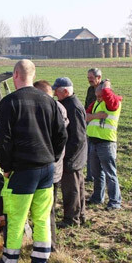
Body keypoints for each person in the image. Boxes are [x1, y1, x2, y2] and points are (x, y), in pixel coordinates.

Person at [0, 59, 67, 263]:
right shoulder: (49, 101)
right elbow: (62, 134)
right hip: (46, 169)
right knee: (42, 217)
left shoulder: (9, 102)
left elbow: (3, 140)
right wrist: (52, 156)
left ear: (16, 74)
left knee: (17, 219)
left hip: (22, 170)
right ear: (33, 75)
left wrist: (6, 167)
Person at [34, 80, 69, 249]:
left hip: (49, 170)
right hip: (53, 168)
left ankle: (49, 245)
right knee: (46, 210)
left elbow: (58, 140)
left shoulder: (50, 109)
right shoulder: (58, 108)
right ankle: (45, 244)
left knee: (47, 211)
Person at [53, 77, 88, 227]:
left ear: (65, 91)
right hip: (76, 155)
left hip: (72, 156)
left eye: (57, 91)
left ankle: (71, 219)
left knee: (71, 189)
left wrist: (68, 157)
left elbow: (78, 136)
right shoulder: (70, 103)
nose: (55, 94)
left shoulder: (72, 107)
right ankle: (80, 215)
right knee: (78, 186)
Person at [86, 79, 122, 211]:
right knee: (97, 174)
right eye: (97, 96)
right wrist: (97, 115)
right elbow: (86, 116)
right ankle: (97, 198)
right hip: (94, 141)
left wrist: (106, 85)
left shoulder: (113, 103)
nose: (99, 98)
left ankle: (115, 202)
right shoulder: (97, 103)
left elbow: (107, 95)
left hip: (106, 143)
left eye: (101, 95)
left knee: (110, 174)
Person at [85, 68, 103, 182]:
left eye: (91, 78)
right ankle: (90, 175)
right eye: (88, 78)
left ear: (99, 77)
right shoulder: (90, 89)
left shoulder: (104, 90)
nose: (89, 80)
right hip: (89, 122)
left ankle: (97, 176)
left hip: (100, 125)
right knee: (89, 150)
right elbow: (87, 104)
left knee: (97, 152)